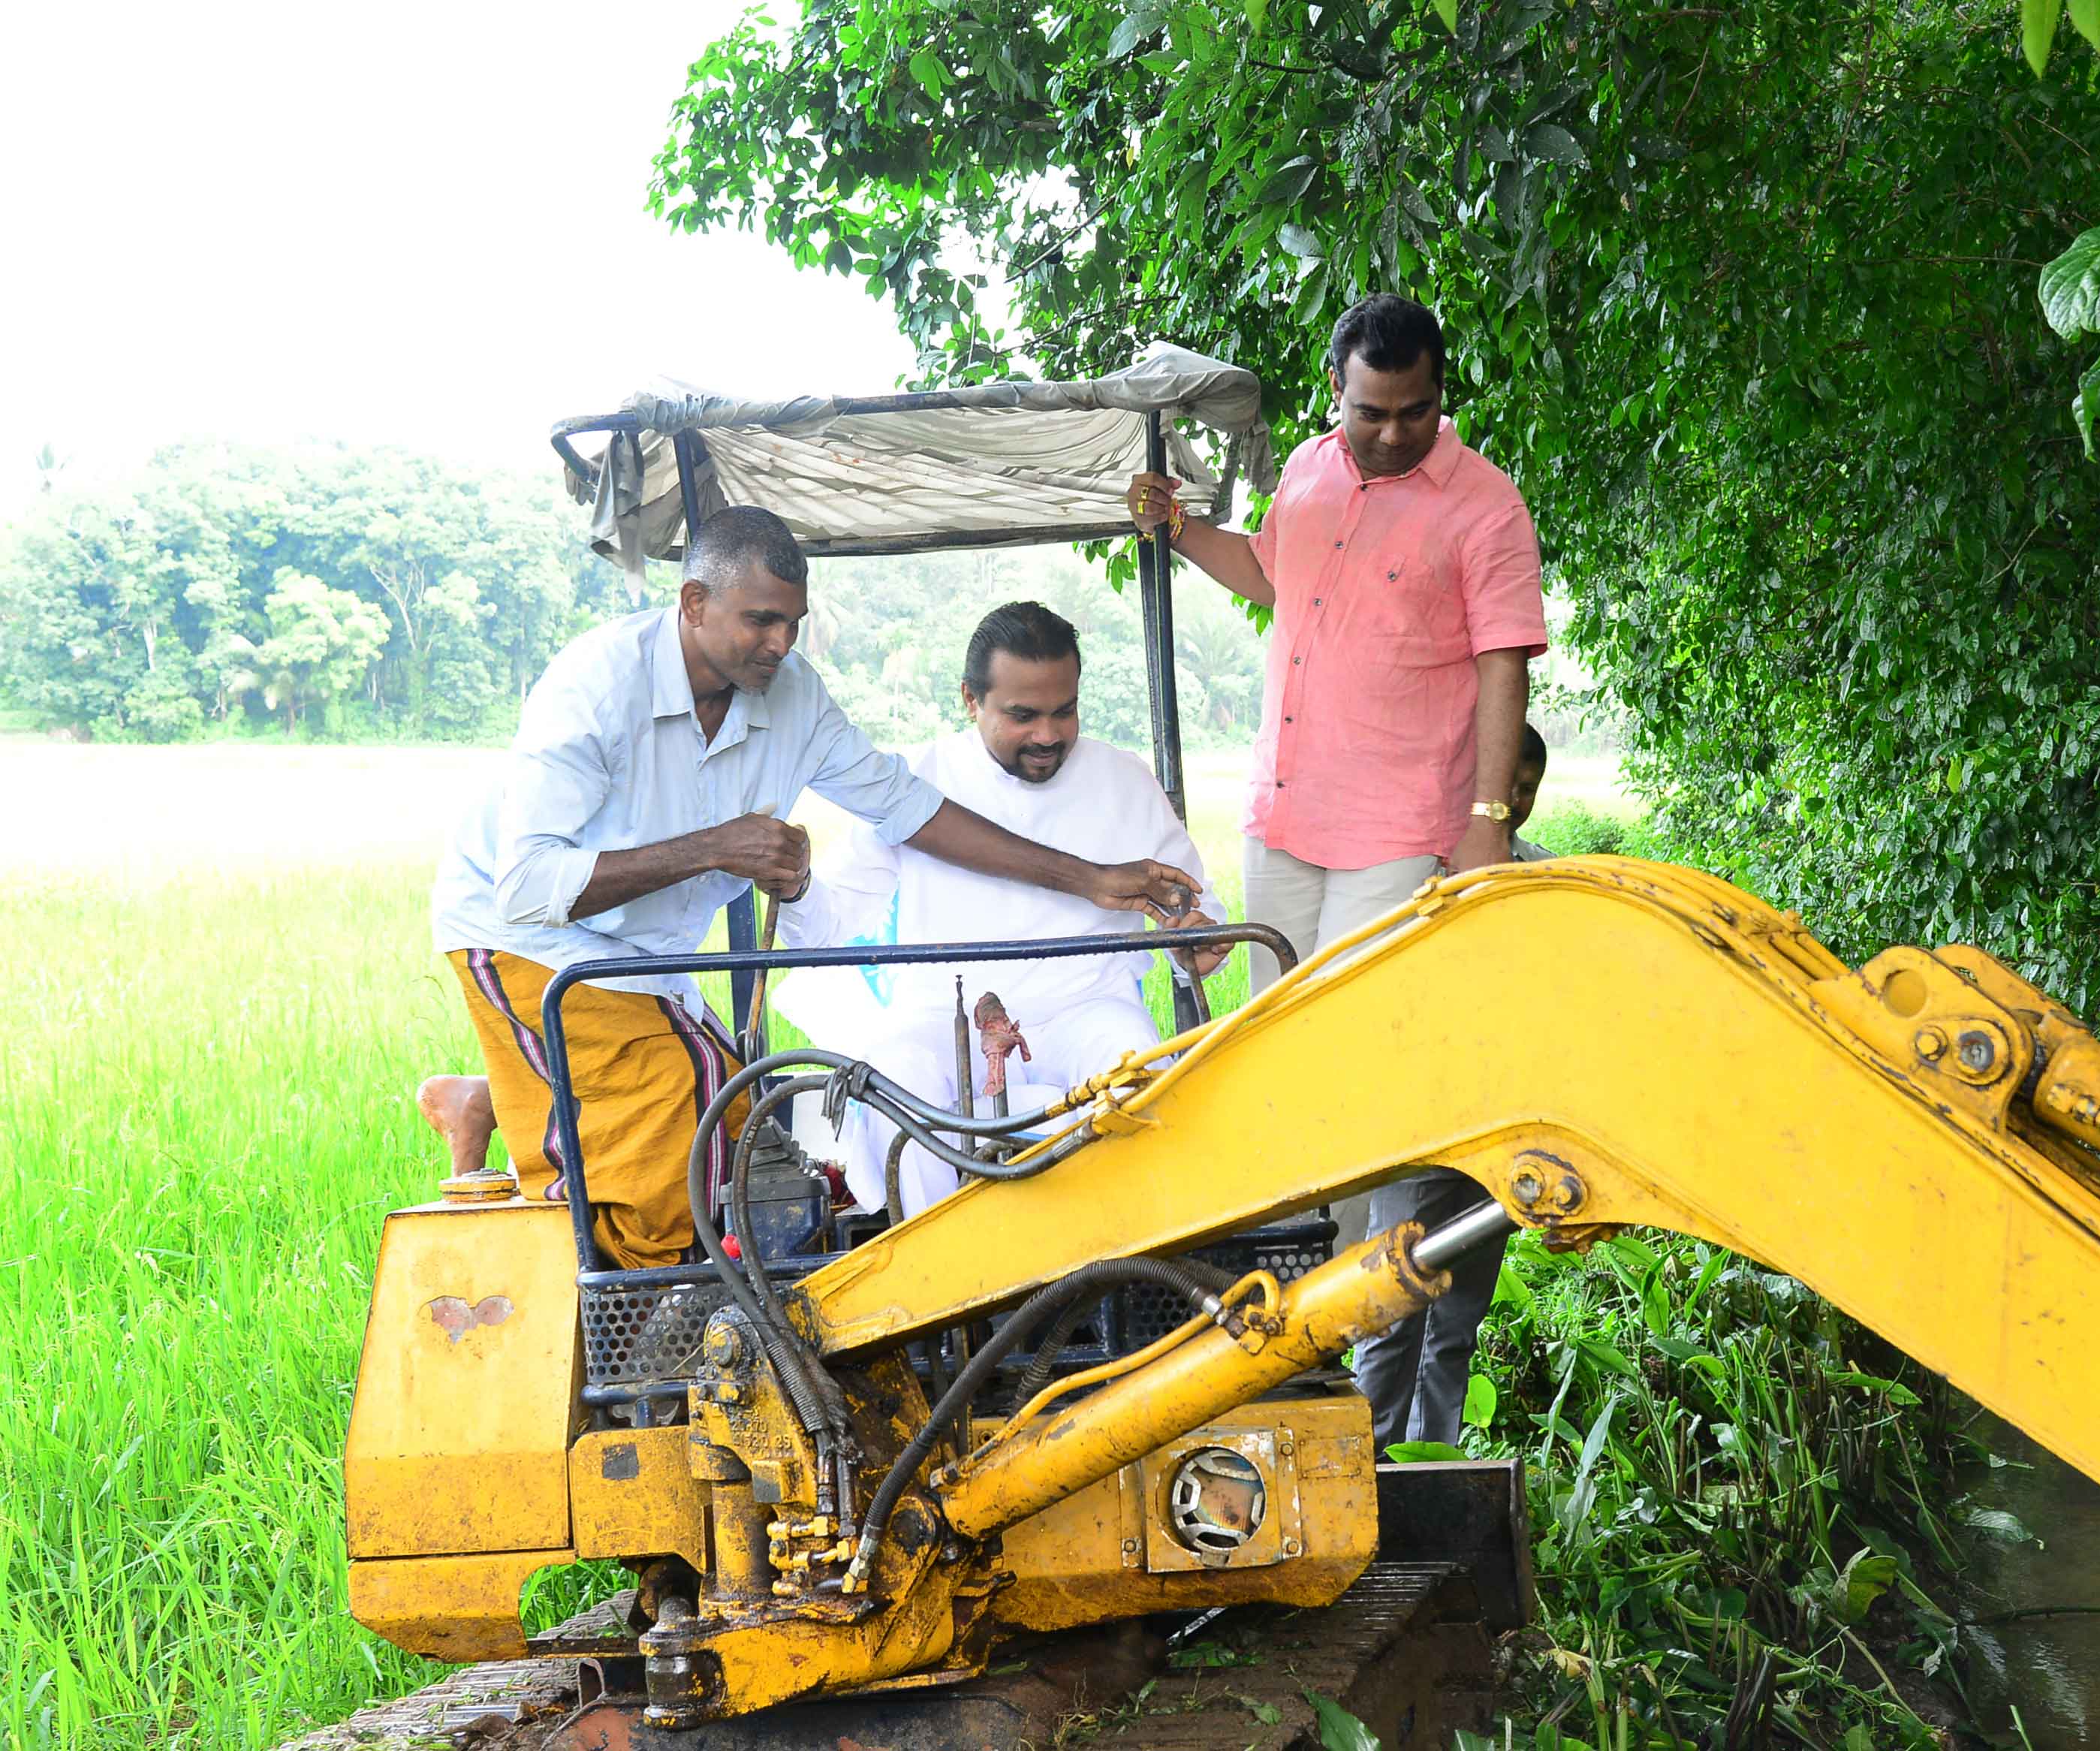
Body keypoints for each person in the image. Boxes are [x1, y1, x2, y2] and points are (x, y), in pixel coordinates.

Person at [427, 508, 1198, 1269]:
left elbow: (910, 809)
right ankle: (651, 1330)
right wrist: (714, 850)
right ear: (694, 603)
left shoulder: (793, 694)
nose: (781, 644)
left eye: (793, 622)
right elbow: (527, 884)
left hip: (642, 949)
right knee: (668, 1129)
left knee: (741, 1121)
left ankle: (491, 1098)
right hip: (527, 932)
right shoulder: (598, 685)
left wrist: (1096, 880)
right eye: (761, 621)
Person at [1127, 293, 1547, 1452]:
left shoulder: (1484, 505)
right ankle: (1296, 1310)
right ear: (1335, 389)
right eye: (1372, 412)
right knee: (1286, 1063)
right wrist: (1178, 531)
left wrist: (1486, 817)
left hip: (1404, 826)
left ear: (1440, 399)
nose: (1393, 434)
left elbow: (1506, 666)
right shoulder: (1309, 472)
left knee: (1368, 1069)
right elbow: (1276, 583)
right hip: (1284, 819)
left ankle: (1366, 1324)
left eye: (1416, 414)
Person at [774, 601, 1228, 1216]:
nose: (1047, 735)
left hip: (1085, 1008)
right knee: (898, 1078)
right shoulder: (916, 782)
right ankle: (945, 1284)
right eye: (1023, 715)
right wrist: (796, 884)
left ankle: (1117, 1274)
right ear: (970, 699)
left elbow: (1198, 914)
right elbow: (826, 932)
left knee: (1132, 1069)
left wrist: (1196, 945)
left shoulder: (1123, 780)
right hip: (942, 1019)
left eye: (1063, 711)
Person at [1509, 722, 1554, 863]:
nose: (1514, 801)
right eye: (1504, 786)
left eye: (1527, 790)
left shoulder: (1546, 870)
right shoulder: (1441, 867)